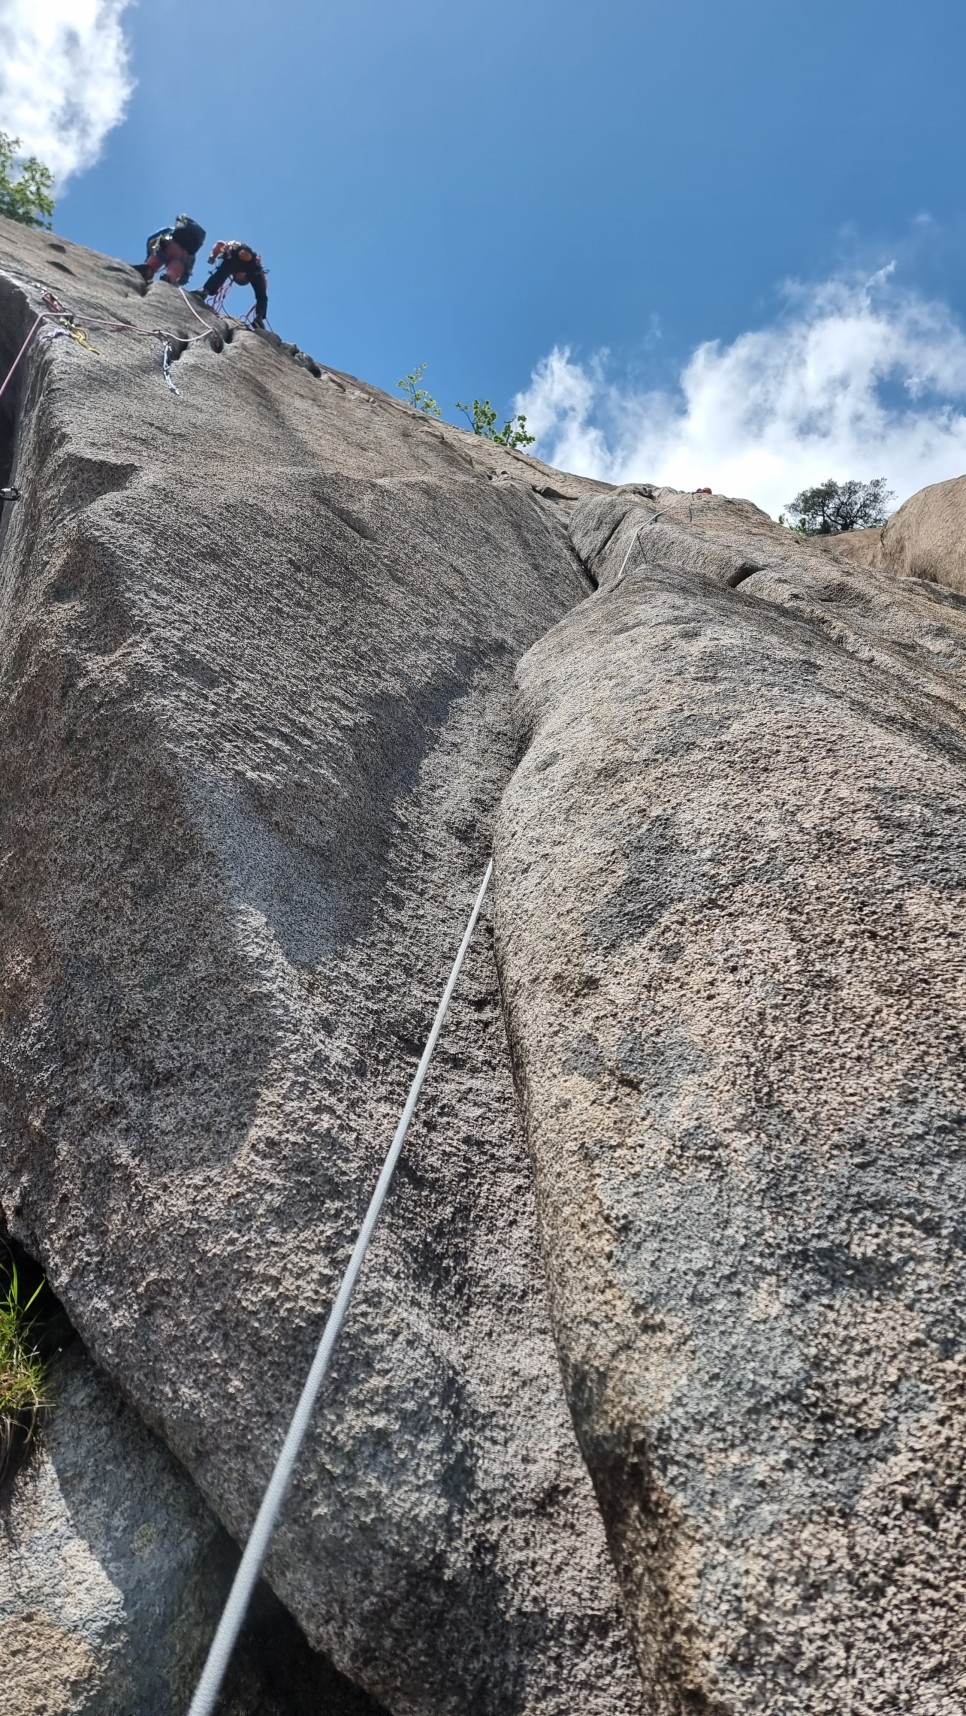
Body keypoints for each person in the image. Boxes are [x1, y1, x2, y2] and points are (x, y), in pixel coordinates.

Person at [200, 241, 269, 328]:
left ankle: (205, 292)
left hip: (239, 257)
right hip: (249, 262)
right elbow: (262, 287)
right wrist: (262, 302)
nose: (239, 276)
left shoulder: (234, 261)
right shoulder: (254, 269)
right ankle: (259, 319)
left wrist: (212, 256)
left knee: (222, 272)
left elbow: (219, 243)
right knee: (261, 294)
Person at [133, 214, 207, 286]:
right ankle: (168, 279)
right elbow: (189, 265)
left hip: (168, 244)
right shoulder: (191, 247)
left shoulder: (172, 230)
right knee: (171, 275)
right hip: (183, 256)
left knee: (150, 267)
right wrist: (183, 279)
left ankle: (147, 270)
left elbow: (150, 238)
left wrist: (149, 256)